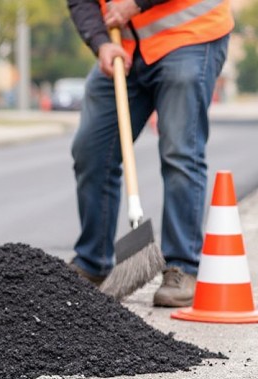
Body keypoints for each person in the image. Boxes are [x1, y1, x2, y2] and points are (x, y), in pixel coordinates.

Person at [66, 0, 233, 306]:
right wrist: (101, 43)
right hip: (125, 49)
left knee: (180, 152)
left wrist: (137, 3)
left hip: (189, 36)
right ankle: (92, 263)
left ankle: (182, 266)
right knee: (91, 150)